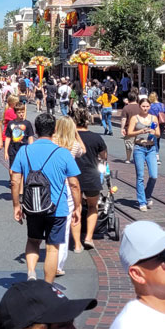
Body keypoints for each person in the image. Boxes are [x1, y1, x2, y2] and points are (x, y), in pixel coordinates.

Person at [10, 113, 81, 284]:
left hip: (32, 205)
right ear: (54, 130)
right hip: (57, 207)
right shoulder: (63, 153)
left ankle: (31, 273)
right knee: (52, 247)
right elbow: (74, 184)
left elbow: (14, 180)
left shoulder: (24, 151)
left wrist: (16, 205)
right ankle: (48, 286)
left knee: (33, 241)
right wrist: (77, 206)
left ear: (35, 130)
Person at [52, 116, 85, 276]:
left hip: (51, 183)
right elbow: (83, 151)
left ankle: (52, 255)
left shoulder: (52, 141)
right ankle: (58, 263)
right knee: (64, 224)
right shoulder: (74, 145)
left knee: (50, 221)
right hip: (67, 185)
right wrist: (76, 134)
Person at [73, 107, 107, 250]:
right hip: (92, 176)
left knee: (76, 207)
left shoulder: (72, 138)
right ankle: (88, 237)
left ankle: (76, 244)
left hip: (74, 177)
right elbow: (104, 156)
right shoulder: (96, 137)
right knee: (93, 206)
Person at [127, 97, 160, 211]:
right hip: (139, 148)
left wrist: (153, 132)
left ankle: (147, 195)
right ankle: (142, 201)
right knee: (140, 176)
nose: (145, 108)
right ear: (139, 107)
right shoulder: (135, 118)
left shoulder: (154, 118)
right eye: (143, 106)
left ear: (150, 107)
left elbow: (158, 134)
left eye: (147, 106)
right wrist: (140, 131)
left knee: (154, 175)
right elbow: (129, 133)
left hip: (151, 148)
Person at [4, 103, 35, 167]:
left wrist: (31, 149)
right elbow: (8, 137)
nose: (21, 114)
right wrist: (6, 151)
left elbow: (30, 137)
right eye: (19, 112)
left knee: (23, 168)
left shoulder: (27, 123)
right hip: (13, 149)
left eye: (23, 112)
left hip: (24, 149)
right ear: (15, 112)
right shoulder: (11, 123)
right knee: (12, 169)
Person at [118, 91, 140, 165]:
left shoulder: (126, 108)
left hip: (129, 128)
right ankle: (138, 158)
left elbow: (124, 119)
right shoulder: (140, 106)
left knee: (129, 145)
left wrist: (122, 128)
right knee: (139, 144)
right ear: (136, 98)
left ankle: (128, 159)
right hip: (140, 128)